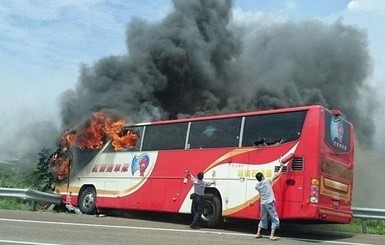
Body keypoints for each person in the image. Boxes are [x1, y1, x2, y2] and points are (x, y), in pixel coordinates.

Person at [254, 162, 284, 241]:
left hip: (263, 204)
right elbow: (277, 175)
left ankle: (258, 233)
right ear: (263, 177)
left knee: (263, 218)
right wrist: (281, 167)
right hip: (269, 203)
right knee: (274, 218)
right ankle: (271, 236)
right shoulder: (267, 181)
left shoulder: (257, 186)